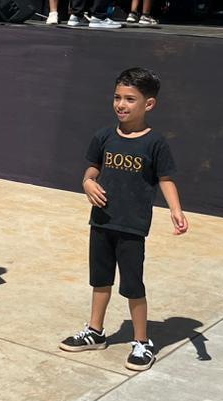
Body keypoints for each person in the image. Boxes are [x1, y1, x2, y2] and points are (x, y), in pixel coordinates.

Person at [59, 67, 187, 372]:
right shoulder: (104, 136)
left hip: (131, 226)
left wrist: (176, 209)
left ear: (149, 104)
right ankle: (95, 331)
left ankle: (142, 341)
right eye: (117, 97)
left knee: (132, 285)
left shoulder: (155, 143)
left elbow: (166, 178)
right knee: (100, 280)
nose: (121, 104)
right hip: (101, 222)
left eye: (130, 99)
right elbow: (92, 168)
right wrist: (87, 182)